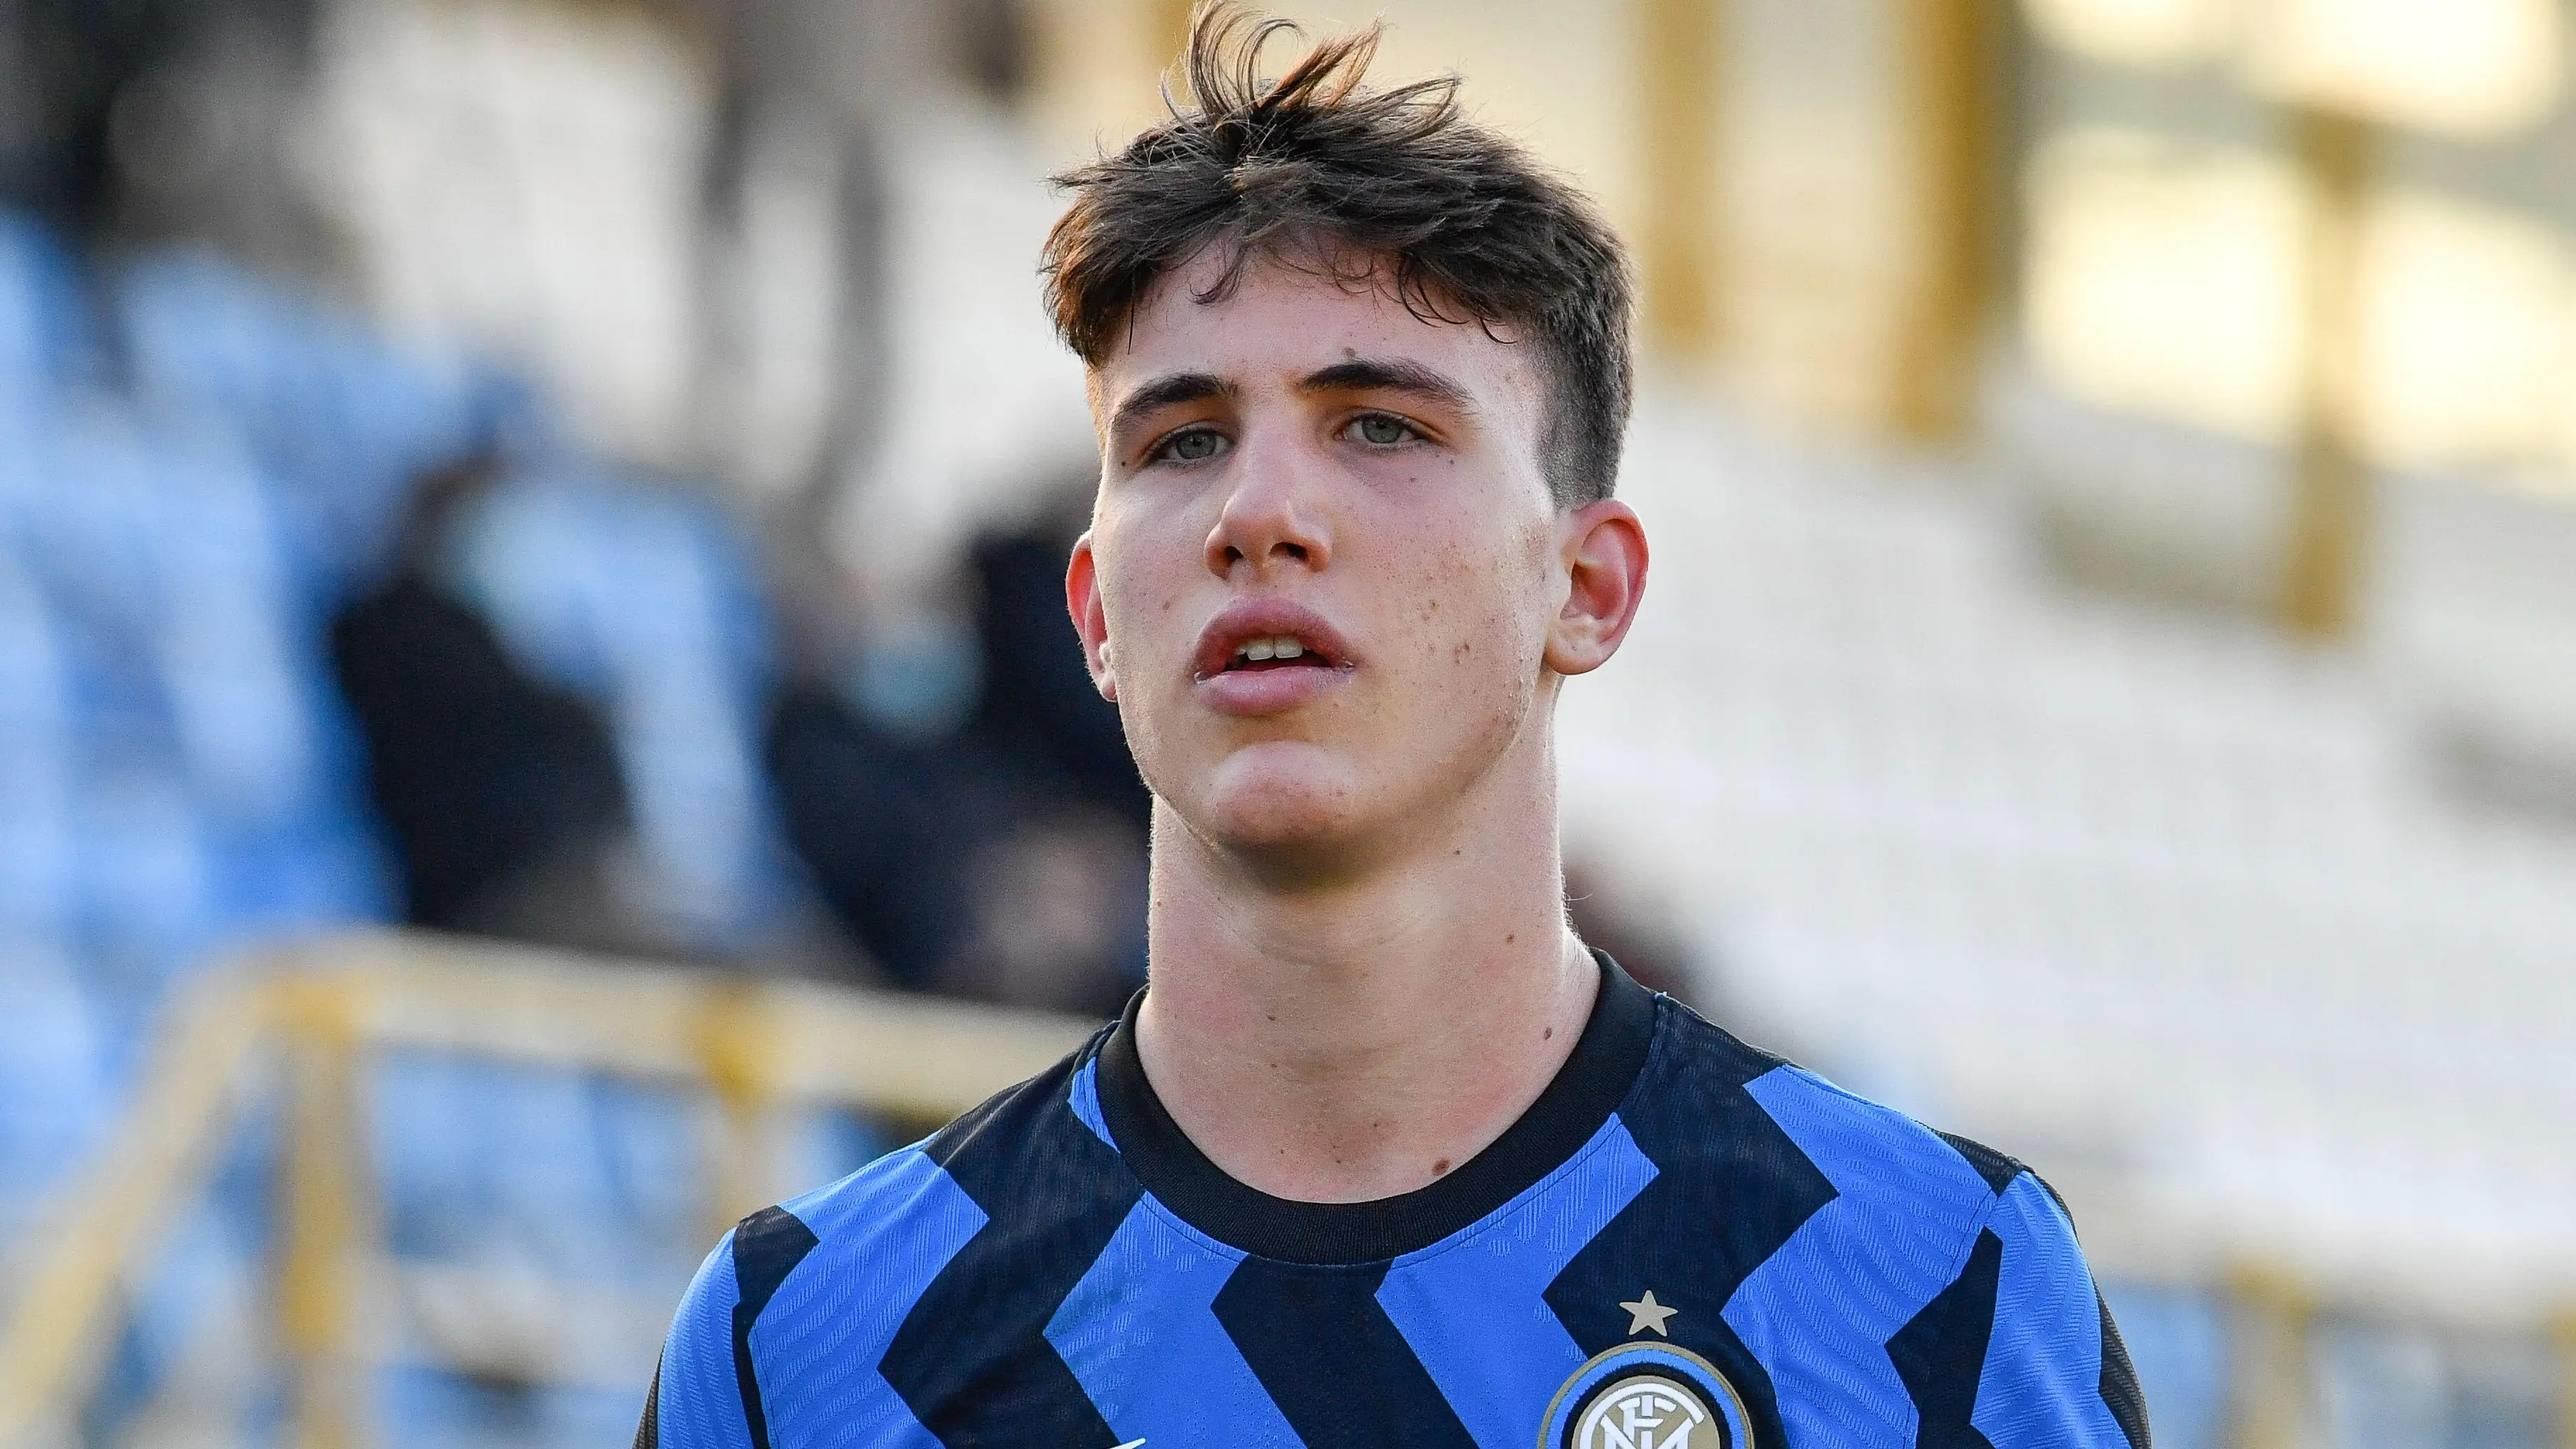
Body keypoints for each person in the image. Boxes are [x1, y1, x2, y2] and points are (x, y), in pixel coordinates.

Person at [636, 6, 2148, 1445]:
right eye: (1182, 439)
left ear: (1588, 586)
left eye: (1382, 425)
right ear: (1096, 613)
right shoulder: (817, 1344)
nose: (1261, 514)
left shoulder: (1927, 1289)